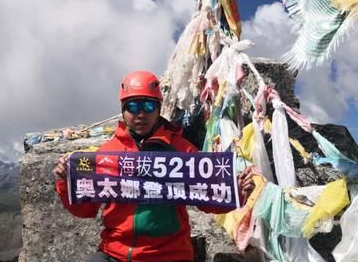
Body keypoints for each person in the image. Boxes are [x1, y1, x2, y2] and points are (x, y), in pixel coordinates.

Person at [54, 70, 255, 262]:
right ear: (123, 111)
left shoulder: (182, 151)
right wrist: (65, 182)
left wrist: (236, 191)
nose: (140, 114)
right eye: (132, 107)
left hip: (170, 254)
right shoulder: (106, 153)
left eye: (148, 107)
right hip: (115, 252)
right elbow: (86, 210)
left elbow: (207, 199)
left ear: (159, 108)